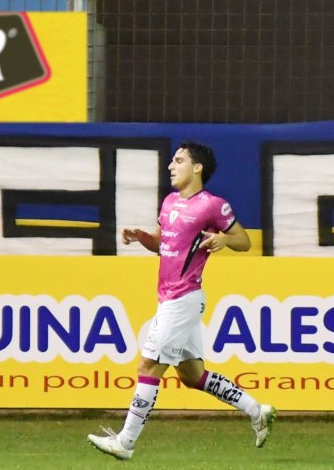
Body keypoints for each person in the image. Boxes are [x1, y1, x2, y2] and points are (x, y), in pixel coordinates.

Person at [87, 141, 277, 461]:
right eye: (172, 161)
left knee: (148, 365)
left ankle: (126, 442)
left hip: (184, 297)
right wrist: (142, 237)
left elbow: (243, 241)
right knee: (191, 377)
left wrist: (224, 238)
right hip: (169, 298)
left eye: (178, 161)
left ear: (197, 168)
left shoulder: (212, 205)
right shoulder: (170, 202)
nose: (171, 166)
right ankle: (256, 410)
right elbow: (162, 245)